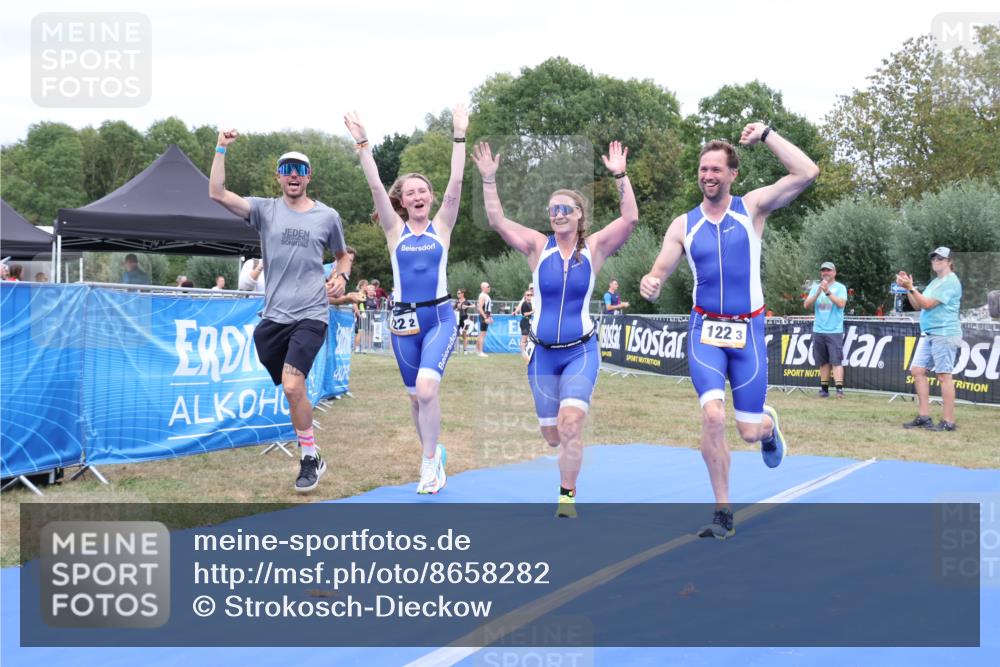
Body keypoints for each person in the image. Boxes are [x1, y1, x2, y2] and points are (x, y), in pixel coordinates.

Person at [640, 124, 820, 539]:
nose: (709, 176)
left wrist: (768, 135)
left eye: (717, 169)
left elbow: (807, 172)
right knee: (713, 415)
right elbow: (660, 269)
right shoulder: (682, 225)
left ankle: (769, 428)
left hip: (748, 331)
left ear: (732, 175)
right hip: (705, 331)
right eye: (703, 169)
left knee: (749, 431)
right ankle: (723, 512)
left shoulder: (752, 207)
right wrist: (652, 281)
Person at [472, 140, 640, 518]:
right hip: (543, 354)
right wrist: (488, 179)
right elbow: (498, 221)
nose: (558, 214)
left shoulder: (595, 248)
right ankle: (564, 472)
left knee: (570, 423)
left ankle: (566, 497)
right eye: (553, 210)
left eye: (565, 209)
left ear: (580, 215)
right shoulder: (537, 246)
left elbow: (630, 219)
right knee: (552, 435)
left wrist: (621, 176)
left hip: (581, 351)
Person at [209, 129, 352, 494]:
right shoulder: (264, 209)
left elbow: (342, 254)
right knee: (294, 390)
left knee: (292, 386)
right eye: (286, 168)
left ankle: (308, 458)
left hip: (312, 313)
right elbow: (216, 193)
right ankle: (314, 453)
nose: (293, 174)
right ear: (278, 176)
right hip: (273, 317)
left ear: (308, 177)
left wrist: (342, 275)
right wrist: (221, 148)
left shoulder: (327, 216)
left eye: (299, 169)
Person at [344, 104, 467, 494]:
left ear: (430, 198)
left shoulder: (442, 227)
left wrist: (459, 133)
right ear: (403, 200)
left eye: (422, 191)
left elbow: (457, 182)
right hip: (403, 323)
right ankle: (434, 454)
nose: (416, 195)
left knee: (429, 391)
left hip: (440, 318)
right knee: (416, 400)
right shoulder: (394, 230)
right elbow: (376, 186)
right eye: (409, 192)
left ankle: (429, 466)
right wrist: (364, 144)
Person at [897, 246, 963, 432]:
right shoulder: (935, 282)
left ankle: (949, 422)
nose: (936, 261)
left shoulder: (950, 281)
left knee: (944, 376)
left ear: (950, 261)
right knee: (917, 371)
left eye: (940, 258)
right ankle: (924, 417)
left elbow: (927, 304)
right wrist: (908, 289)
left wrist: (911, 287)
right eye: (934, 258)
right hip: (930, 333)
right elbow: (918, 305)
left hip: (944, 332)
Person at [803, 261, 848, 398]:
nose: (825, 273)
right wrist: (818, 291)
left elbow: (841, 304)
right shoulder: (816, 287)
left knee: (836, 361)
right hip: (819, 330)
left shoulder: (840, 287)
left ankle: (839, 390)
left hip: (834, 330)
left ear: (834, 273)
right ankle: (824, 390)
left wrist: (827, 292)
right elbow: (806, 305)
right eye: (823, 270)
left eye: (828, 270)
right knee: (823, 362)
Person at [514, 287, 535, 362]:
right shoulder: (525, 303)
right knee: (524, 339)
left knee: (528, 339)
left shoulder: (529, 303)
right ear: (525, 296)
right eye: (528, 295)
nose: (529, 296)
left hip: (528, 321)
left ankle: (526, 353)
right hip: (525, 321)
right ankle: (523, 353)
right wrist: (533, 311)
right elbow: (525, 314)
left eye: (531, 295)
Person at [453, 288, 475, 354]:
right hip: (457, 319)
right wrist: (457, 308)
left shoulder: (466, 301)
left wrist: (467, 306)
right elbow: (453, 309)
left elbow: (474, 305)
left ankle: (465, 350)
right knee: (455, 334)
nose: (458, 294)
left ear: (462, 294)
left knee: (464, 334)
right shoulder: (456, 302)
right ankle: (455, 350)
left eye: (459, 293)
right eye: (457, 293)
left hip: (465, 318)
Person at [476, 282, 493, 358]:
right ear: (483, 288)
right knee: (482, 334)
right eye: (488, 287)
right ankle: (480, 352)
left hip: (486, 315)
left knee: (482, 334)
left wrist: (490, 316)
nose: (489, 288)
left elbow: (488, 308)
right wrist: (485, 317)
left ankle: (477, 350)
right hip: (484, 316)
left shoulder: (486, 295)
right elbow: (479, 308)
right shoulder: (482, 295)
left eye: (489, 286)